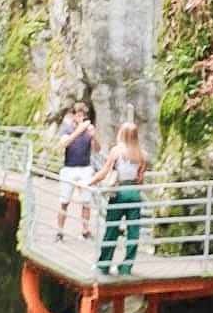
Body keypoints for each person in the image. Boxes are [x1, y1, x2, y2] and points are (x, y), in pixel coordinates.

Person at [88, 121, 147, 275]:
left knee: (112, 229)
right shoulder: (142, 154)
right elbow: (141, 178)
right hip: (134, 193)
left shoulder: (116, 151)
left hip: (119, 192)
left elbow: (105, 172)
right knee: (133, 231)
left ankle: (104, 265)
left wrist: (89, 182)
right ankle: (126, 267)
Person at [56, 101, 97, 240]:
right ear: (73, 115)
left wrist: (93, 136)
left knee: (86, 201)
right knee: (64, 201)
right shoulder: (67, 129)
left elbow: (98, 148)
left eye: (83, 115)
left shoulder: (88, 130)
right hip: (69, 168)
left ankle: (85, 230)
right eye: (78, 115)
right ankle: (59, 231)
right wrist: (78, 130)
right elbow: (64, 143)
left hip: (85, 167)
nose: (81, 117)